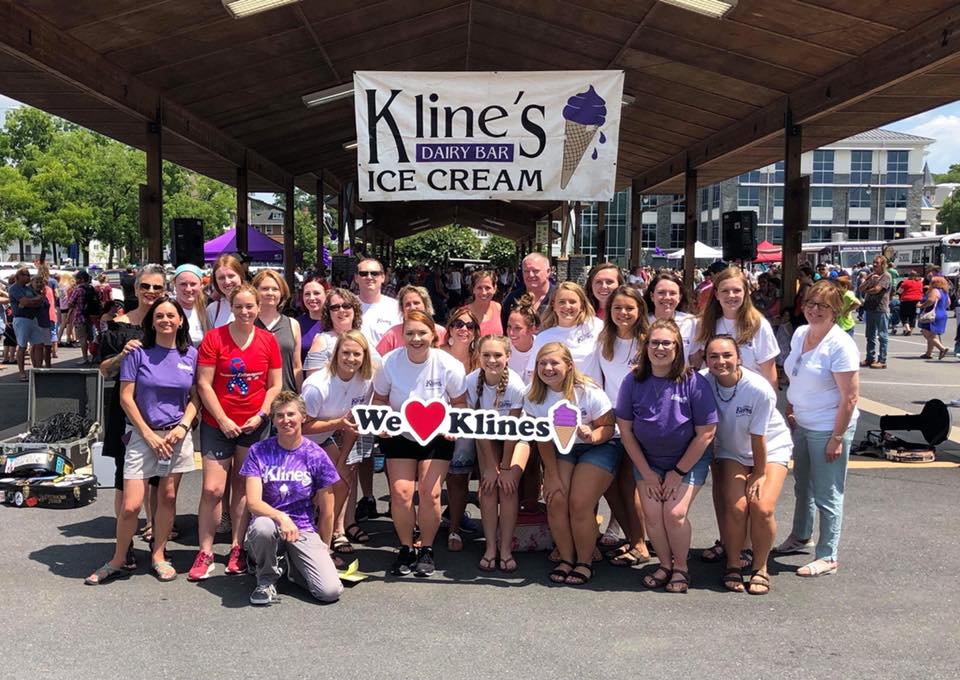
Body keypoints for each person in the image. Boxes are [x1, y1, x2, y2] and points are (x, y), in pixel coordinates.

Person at [84, 298, 199, 585]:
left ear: (181, 320)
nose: (165, 320)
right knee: (131, 506)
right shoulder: (138, 353)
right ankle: (118, 559)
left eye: (171, 315)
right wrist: (147, 433)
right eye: (159, 316)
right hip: (141, 435)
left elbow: (196, 398)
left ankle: (159, 554)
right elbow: (125, 397)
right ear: (152, 321)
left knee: (167, 498)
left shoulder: (191, 355)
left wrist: (183, 427)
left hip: (176, 437)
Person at [615, 319, 718, 593]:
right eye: (654, 342)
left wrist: (678, 472)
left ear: (678, 347)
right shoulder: (632, 381)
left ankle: (681, 567)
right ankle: (664, 564)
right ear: (646, 346)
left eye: (666, 343)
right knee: (652, 514)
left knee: (674, 513)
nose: (659, 348)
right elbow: (625, 430)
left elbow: (706, 432)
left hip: (687, 461)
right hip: (648, 462)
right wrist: (647, 474)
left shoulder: (694, 382)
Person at [191, 284, 282, 581]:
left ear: (258, 308)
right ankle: (205, 550)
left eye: (250, 306)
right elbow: (204, 384)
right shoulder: (214, 338)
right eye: (239, 306)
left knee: (243, 489)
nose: (245, 311)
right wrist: (222, 418)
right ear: (231, 307)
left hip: (252, 425)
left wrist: (261, 415)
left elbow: (275, 385)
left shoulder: (268, 341)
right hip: (218, 424)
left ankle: (237, 547)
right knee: (212, 489)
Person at [371, 310, 467, 577]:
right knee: (401, 494)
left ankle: (426, 548)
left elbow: (460, 404)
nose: (416, 338)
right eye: (410, 333)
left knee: (430, 492)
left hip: (437, 436)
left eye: (422, 333)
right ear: (402, 335)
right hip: (400, 434)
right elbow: (379, 400)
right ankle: (405, 548)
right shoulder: (389, 362)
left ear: (433, 335)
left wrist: (453, 427)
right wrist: (382, 424)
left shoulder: (448, 364)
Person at [779, 280, 859, 577]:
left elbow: (850, 397)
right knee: (803, 486)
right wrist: (791, 405)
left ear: (836, 310)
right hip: (803, 421)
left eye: (823, 306)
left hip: (828, 427)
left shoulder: (840, 345)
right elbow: (797, 374)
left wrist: (837, 437)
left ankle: (828, 555)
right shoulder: (801, 333)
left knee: (828, 492)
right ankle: (801, 535)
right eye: (811, 303)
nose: (814, 310)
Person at [703, 335, 792, 595]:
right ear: (706, 360)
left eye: (727, 355)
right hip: (732, 451)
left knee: (761, 507)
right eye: (714, 356)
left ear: (739, 358)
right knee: (737, 507)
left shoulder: (758, 389)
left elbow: (759, 437)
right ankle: (732, 563)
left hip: (770, 448)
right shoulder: (703, 381)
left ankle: (759, 567)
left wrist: (759, 474)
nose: (721, 361)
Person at [525, 342, 616, 586]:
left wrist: (592, 436)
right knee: (556, 499)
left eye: (554, 362)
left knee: (579, 502)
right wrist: (551, 474)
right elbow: (542, 439)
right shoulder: (533, 396)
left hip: (599, 447)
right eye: (542, 363)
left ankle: (584, 562)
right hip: (562, 450)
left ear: (568, 365)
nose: (548, 368)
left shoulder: (587, 391)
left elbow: (608, 427)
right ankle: (566, 559)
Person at [241, 391, 343, 605]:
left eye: (291, 414)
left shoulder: (316, 455)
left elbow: (327, 509)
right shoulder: (258, 451)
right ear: (273, 420)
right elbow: (253, 502)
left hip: (303, 528)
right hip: (268, 524)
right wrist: (281, 517)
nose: (285, 420)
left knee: (330, 591)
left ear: (303, 417)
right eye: (279, 415)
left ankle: (293, 568)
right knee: (262, 527)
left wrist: (325, 546)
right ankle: (265, 580)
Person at [97, 264, 168, 566]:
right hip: (124, 412)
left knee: (156, 479)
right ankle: (124, 543)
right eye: (145, 287)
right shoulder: (117, 327)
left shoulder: (167, 323)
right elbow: (103, 369)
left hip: (160, 412)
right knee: (123, 477)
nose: (151, 292)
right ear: (136, 288)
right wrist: (121, 355)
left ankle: (155, 535)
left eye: (157, 287)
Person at [301, 330, 375, 554]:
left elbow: (352, 424)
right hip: (301, 442)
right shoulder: (317, 386)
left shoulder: (365, 382)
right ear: (335, 354)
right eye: (345, 353)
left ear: (364, 356)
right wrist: (337, 423)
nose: (351, 359)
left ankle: (332, 532)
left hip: (328, 437)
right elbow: (301, 427)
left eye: (356, 354)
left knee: (342, 480)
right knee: (319, 489)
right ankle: (309, 530)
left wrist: (343, 461)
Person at [596, 285, 650, 565]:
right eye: (617, 308)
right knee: (610, 485)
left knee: (629, 485)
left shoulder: (648, 340)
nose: (623, 313)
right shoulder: (604, 339)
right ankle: (632, 539)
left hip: (638, 425)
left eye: (629, 308)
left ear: (640, 310)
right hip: (609, 422)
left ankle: (640, 545)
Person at [469, 335, 527, 572]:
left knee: (508, 487)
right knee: (489, 486)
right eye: (486, 355)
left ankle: (506, 549)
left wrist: (503, 468)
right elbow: (479, 427)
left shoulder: (515, 384)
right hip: (487, 437)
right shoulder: (471, 381)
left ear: (508, 357)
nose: (492, 360)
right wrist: (490, 468)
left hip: (514, 438)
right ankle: (490, 547)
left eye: (498, 355)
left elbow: (513, 431)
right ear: (479, 357)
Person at [441, 306, 481, 551]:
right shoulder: (436, 355)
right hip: (432, 425)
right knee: (430, 482)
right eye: (458, 324)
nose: (463, 329)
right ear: (449, 329)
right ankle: (424, 528)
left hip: (467, 428)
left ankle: (454, 528)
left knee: (458, 479)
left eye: (469, 326)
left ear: (476, 332)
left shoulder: (482, 359)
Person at [526, 281, 603, 386]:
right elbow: (532, 375)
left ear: (581, 305)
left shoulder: (596, 326)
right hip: (557, 398)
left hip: (590, 397)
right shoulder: (543, 338)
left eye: (572, 302)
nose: (567, 306)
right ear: (554, 305)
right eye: (562, 302)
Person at [254, 269, 303, 393]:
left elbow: (296, 366)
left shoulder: (293, 324)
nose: (270, 293)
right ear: (256, 291)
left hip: (287, 396)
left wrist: (301, 396)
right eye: (265, 289)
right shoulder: (248, 324)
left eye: (275, 289)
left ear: (281, 293)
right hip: (256, 397)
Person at [375, 285, 447, 355]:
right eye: (407, 304)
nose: (412, 307)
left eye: (416, 303)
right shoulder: (392, 334)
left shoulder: (440, 332)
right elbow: (377, 360)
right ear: (402, 309)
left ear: (426, 305)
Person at [643, 271, 695, 361]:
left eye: (672, 293)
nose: (667, 297)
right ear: (652, 296)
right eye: (661, 292)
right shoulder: (642, 322)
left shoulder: (691, 322)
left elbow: (695, 359)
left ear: (680, 297)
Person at [500, 252, 555, 330]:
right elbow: (505, 329)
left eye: (535, 271)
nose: (531, 275)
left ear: (548, 271)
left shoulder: (558, 297)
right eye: (526, 271)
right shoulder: (513, 298)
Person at [356, 257, 401, 347]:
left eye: (375, 273)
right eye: (363, 273)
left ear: (383, 277)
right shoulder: (346, 306)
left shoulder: (396, 308)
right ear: (356, 278)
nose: (369, 277)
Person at [858, 255, 891, 369]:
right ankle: (869, 358)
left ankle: (882, 360)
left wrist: (867, 290)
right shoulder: (872, 275)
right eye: (874, 262)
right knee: (870, 335)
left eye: (877, 263)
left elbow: (877, 290)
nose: (874, 265)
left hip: (881, 309)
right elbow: (860, 288)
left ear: (883, 264)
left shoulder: (886, 276)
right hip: (870, 308)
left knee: (882, 335)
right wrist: (869, 281)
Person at [173, 264, 209, 347]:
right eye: (183, 284)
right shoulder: (167, 309)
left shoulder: (207, 309)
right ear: (175, 284)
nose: (188, 289)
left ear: (201, 285)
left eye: (193, 284)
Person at [505, 294, 538, 381]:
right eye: (509, 326)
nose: (511, 333)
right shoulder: (502, 348)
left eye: (517, 328)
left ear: (532, 329)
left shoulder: (542, 347)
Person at [206, 254, 244, 328]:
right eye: (221, 278)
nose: (227, 281)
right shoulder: (213, 309)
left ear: (240, 275)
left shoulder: (255, 305)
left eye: (231, 276)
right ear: (216, 282)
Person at [296, 274, 328, 362]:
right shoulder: (295, 324)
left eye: (316, 293)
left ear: (326, 294)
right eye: (307, 294)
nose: (311, 298)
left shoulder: (335, 322)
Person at [918, 275, 950, 360]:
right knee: (932, 334)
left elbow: (930, 301)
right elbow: (948, 303)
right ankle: (928, 353)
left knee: (926, 333)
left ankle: (942, 349)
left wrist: (921, 305)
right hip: (942, 313)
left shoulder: (935, 290)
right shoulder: (944, 292)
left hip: (933, 314)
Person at [466, 270, 503, 335]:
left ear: (494, 289)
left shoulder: (498, 307)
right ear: (473, 289)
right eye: (479, 288)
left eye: (487, 288)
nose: (484, 293)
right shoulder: (464, 313)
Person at [897, 271, 923, 337]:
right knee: (913, 316)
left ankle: (907, 329)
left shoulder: (906, 282)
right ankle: (910, 330)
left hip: (906, 300)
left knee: (903, 315)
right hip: (917, 300)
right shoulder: (920, 283)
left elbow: (899, 291)